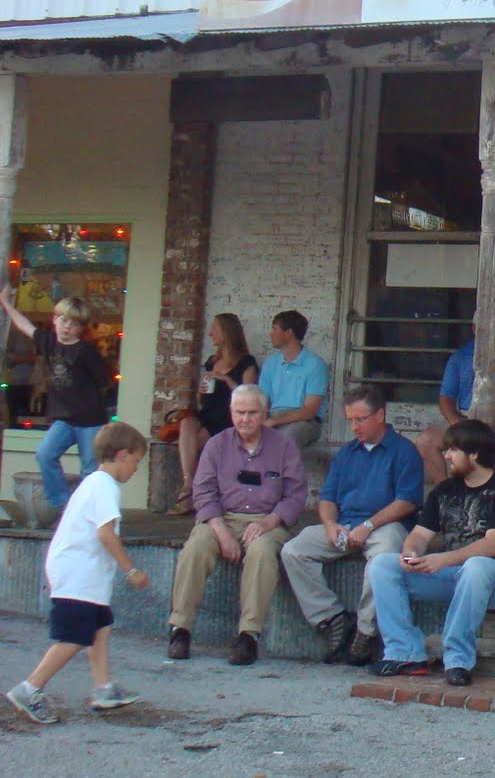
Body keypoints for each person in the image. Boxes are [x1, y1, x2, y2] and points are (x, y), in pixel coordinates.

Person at [5, 422, 150, 724]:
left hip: (83, 575)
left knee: (101, 626)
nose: (135, 469)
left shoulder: (95, 483)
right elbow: (106, 534)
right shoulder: (105, 487)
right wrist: (131, 569)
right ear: (122, 455)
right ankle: (29, 689)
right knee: (73, 637)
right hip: (78, 575)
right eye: (136, 461)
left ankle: (103, 688)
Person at [367, 418, 495, 687]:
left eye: (452, 450)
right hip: (452, 575)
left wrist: (442, 560)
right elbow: (419, 534)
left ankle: (458, 660)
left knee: (476, 566)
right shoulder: (443, 491)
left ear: (473, 454)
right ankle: (404, 653)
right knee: (382, 564)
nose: (446, 456)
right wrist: (411, 553)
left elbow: (493, 545)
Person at [281, 385, 424, 667]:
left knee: (383, 558)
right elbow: (328, 497)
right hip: (346, 523)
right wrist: (330, 524)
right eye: (350, 420)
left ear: (380, 414)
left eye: (360, 419)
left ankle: (365, 631)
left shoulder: (404, 451)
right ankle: (331, 618)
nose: (354, 426)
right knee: (293, 550)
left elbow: (408, 501)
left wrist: (369, 525)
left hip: (386, 524)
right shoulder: (347, 452)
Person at [166, 383, 308, 666]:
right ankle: (179, 629)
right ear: (230, 413)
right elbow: (203, 492)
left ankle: (248, 636)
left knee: (261, 552)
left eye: (252, 413)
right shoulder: (216, 445)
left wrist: (269, 523)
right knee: (196, 547)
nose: (245, 419)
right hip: (222, 518)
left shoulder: (284, 447)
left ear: (265, 413)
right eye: (239, 412)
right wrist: (221, 532)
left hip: (266, 520)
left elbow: (295, 495)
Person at [1, 290, 111, 511]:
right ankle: (62, 504)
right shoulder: (48, 342)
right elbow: (25, 326)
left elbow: (105, 380)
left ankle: (87, 511)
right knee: (45, 454)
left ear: (81, 328)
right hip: (64, 419)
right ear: (54, 320)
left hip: (90, 419)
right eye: (63, 320)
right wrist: (5, 304)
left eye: (74, 324)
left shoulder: (86, 351)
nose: (67, 327)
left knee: (90, 469)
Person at [171, 313, 259, 516]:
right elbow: (203, 400)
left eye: (215, 329)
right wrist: (200, 392)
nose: (211, 333)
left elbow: (249, 396)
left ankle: (189, 494)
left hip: (228, 416)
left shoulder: (247, 362)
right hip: (208, 412)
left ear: (226, 333)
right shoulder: (212, 361)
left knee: (198, 440)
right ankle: (189, 483)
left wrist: (225, 379)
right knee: (187, 424)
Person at [418, 336, 495, 486]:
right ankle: (447, 494)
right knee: (426, 441)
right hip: (463, 416)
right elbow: (446, 397)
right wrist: (456, 423)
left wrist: (482, 424)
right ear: (474, 329)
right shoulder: (459, 356)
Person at [256, 309, 328, 449]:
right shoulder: (270, 363)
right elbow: (261, 400)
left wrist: (274, 421)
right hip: (273, 417)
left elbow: (310, 411)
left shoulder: (315, 365)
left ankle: (281, 472)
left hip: (305, 421)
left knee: (288, 437)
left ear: (288, 332)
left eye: (274, 328)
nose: (271, 333)